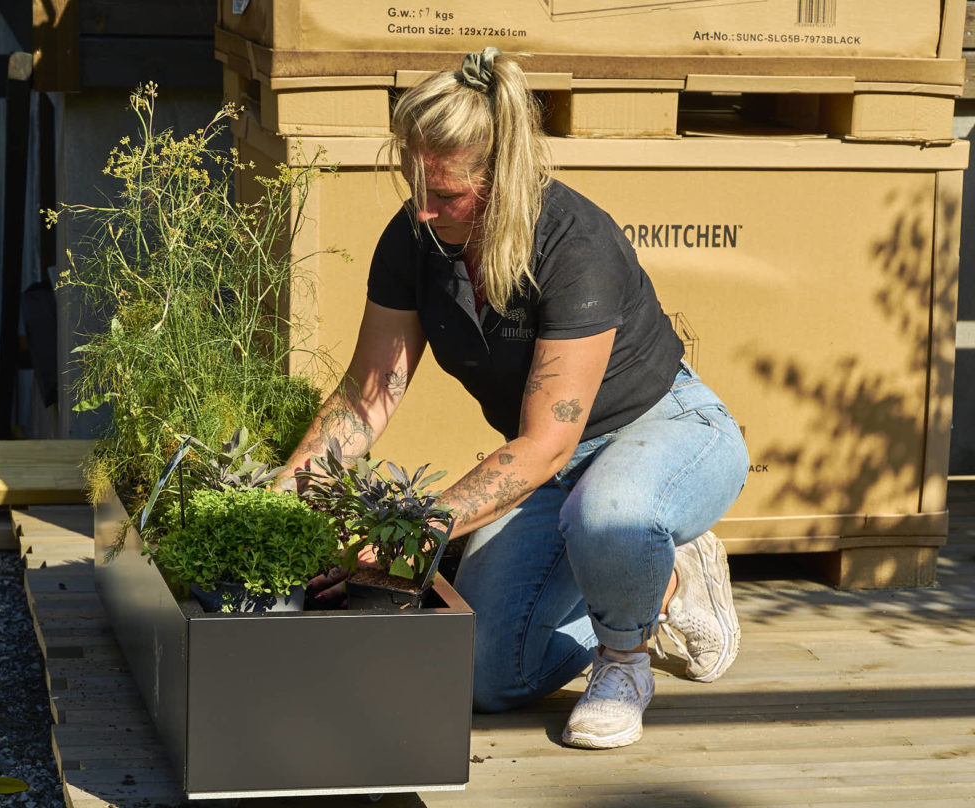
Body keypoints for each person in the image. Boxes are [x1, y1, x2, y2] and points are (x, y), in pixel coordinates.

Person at [274, 47, 750, 750]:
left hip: (663, 430)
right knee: (485, 675)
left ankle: (627, 657)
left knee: (610, 512)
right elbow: (366, 395)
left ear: (504, 176)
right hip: (550, 465)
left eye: (450, 195)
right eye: (415, 183)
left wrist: (412, 531)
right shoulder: (416, 238)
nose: (426, 209)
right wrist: (282, 498)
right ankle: (650, 583)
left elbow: (550, 438)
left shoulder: (573, 243)